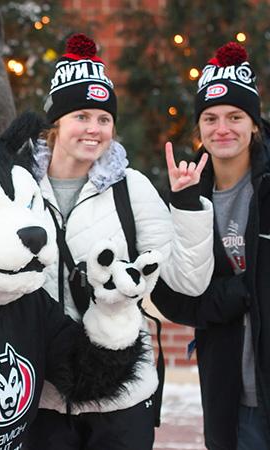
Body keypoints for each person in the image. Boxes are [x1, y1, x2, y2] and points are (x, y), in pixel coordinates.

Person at [27, 34, 215, 450]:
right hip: (37, 397)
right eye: (82, 116)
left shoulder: (132, 188)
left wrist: (186, 204)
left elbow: (187, 279)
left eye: (104, 118)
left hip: (122, 396)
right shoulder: (16, 187)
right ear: (56, 123)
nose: (94, 129)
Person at [151, 42, 270, 450]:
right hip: (231, 394)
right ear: (198, 127)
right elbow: (168, 293)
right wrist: (232, 296)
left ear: (254, 124)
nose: (223, 128)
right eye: (211, 117)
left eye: (236, 116)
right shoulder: (188, 194)